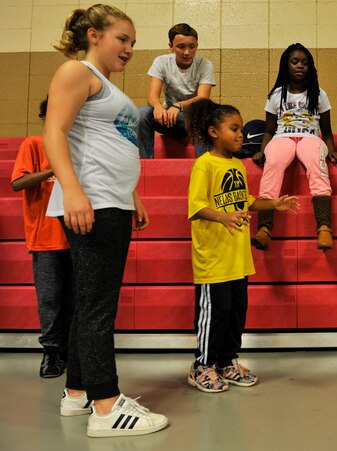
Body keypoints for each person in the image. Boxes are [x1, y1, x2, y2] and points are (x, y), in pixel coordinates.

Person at [43, 4, 168, 437]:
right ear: (94, 35)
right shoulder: (75, 72)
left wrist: (132, 194)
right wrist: (74, 191)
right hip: (90, 202)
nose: (130, 49)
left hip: (110, 201)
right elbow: (54, 132)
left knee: (89, 302)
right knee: (99, 305)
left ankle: (77, 392)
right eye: (122, 39)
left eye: (133, 42)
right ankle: (107, 406)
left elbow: (112, 142)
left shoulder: (104, 85)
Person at [186, 99, 300, 393]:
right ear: (213, 132)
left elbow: (247, 201)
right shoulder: (204, 165)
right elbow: (196, 207)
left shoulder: (237, 165)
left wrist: (274, 203)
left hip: (238, 258)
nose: (241, 134)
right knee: (216, 312)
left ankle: (226, 362)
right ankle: (203, 365)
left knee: (236, 312)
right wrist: (222, 217)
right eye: (234, 129)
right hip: (213, 259)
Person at [251, 43, 337, 250]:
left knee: (316, 166)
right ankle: (264, 229)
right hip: (281, 137)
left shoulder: (319, 94)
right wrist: (262, 149)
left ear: (310, 67)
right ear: (286, 66)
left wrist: (331, 150)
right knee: (273, 164)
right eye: (294, 62)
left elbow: (326, 129)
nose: (300, 66)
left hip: (310, 138)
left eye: (304, 62)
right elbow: (268, 129)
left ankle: (324, 228)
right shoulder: (276, 94)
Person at [11, 98, 74, 379]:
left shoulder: (79, 145)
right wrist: (54, 169)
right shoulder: (33, 145)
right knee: (49, 298)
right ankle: (51, 351)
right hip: (45, 238)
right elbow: (17, 183)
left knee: (75, 298)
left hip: (77, 236)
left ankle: (71, 352)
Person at [137, 23, 215, 158]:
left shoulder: (205, 64)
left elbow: (203, 98)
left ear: (197, 46)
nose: (187, 52)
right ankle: (145, 163)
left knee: (205, 115)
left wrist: (178, 106)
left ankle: (205, 166)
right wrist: (158, 107)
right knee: (142, 112)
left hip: (194, 121)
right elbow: (152, 97)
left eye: (192, 47)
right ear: (171, 47)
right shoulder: (161, 62)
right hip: (168, 120)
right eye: (181, 47)